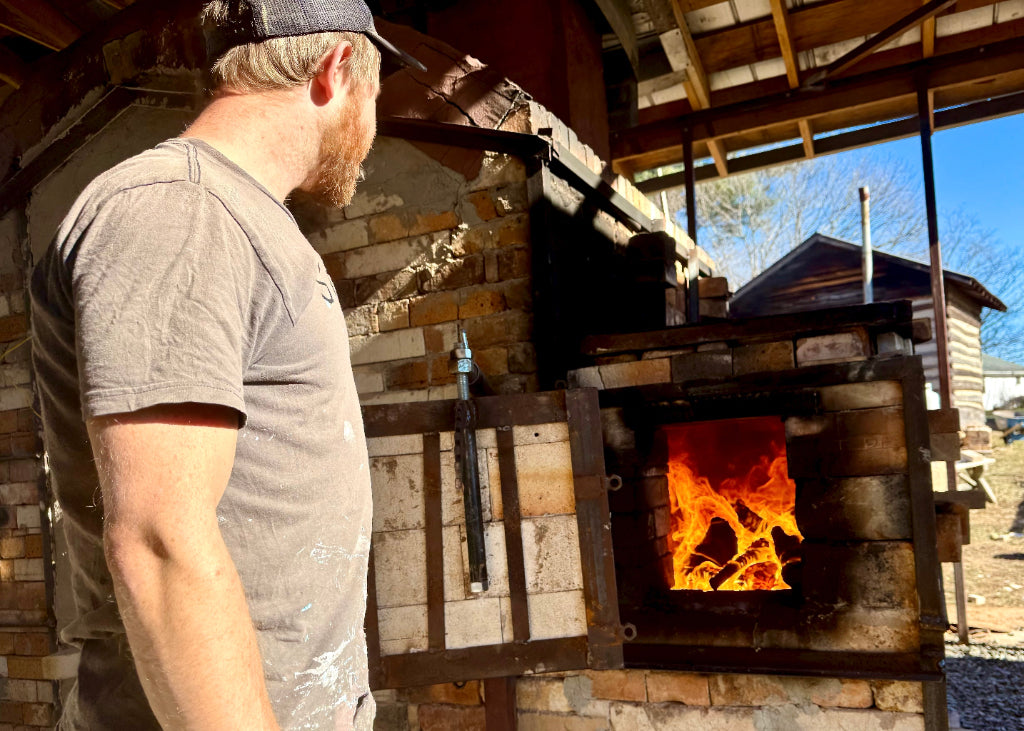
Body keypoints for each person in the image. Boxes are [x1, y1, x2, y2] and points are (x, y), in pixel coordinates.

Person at [29, 2, 424, 728]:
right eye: (376, 91)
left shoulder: (234, 216)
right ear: (336, 70)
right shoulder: (178, 210)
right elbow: (159, 538)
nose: (374, 126)